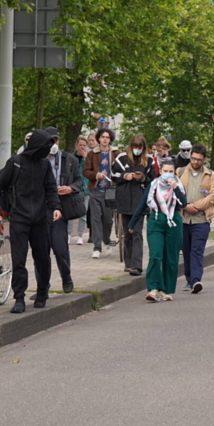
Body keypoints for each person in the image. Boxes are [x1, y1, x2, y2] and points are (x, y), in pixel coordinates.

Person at [0, 129, 62, 313]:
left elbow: (51, 188)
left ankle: (42, 292)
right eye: (45, 147)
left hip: (41, 219)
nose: (47, 151)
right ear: (36, 145)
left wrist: (56, 207)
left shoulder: (44, 165)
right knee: (19, 260)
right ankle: (19, 298)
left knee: (42, 258)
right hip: (19, 219)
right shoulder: (15, 163)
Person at [129, 159, 186, 302]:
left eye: (170, 172)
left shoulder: (178, 185)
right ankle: (153, 288)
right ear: (160, 171)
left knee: (171, 257)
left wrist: (175, 188)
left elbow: (183, 203)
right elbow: (142, 204)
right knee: (155, 254)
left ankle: (166, 289)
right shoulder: (153, 185)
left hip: (173, 222)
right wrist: (132, 223)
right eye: (165, 171)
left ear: (174, 173)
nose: (168, 174)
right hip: (155, 221)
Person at [44, 127, 81, 294]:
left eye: (55, 140)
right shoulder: (37, 159)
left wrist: (71, 188)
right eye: (49, 140)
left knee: (60, 248)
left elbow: (80, 181)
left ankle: (66, 278)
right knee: (41, 251)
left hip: (61, 208)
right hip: (41, 209)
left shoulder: (69, 159)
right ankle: (43, 287)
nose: (53, 144)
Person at [178, 144, 214, 293]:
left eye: (199, 160)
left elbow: (213, 195)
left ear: (203, 160)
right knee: (186, 250)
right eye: (193, 159)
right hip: (183, 218)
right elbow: (174, 192)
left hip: (201, 219)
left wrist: (196, 206)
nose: (195, 162)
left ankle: (196, 281)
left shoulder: (210, 174)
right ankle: (189, 278)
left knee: (197, 250)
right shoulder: (180, 172)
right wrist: (185, 205)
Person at [112, 133, 152, 276]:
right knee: (127, 234)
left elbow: (153, 180)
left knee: (137, 233)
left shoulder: (149, 161)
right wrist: (125, 176)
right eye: (135, 146)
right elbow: (113, 176)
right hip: (124, 200)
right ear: (131, 146)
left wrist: (143, 178)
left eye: (140, 147)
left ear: (143, 147)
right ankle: (128, 264)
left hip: (140, 202)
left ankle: (137, 265)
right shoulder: (121, 159)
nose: (137, 149)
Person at [82, 128, 119, 259]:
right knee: (95, 219)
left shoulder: (116, 153)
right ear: (99, 138)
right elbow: (85, 171)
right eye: (102, 137)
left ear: (110, 139)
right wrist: (96, 175)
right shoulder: (92, 154)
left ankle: (107, 240)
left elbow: (121, 168)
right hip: (95, 190)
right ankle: (97, 247)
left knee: (108, 220)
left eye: (107, 137)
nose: (105, 139)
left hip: (110, 191)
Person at [69, 135, 90, 246]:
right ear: (76, 145)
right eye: (80, 145)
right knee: (70, 212)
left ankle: (80, 235)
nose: (82, 147)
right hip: (73, 188)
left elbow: (89, 170)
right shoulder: (71, 157)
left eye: (84, 145)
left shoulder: (88, 157)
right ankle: (68, 234)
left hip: (85, 188)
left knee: (83, 212)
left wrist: (85, 157)